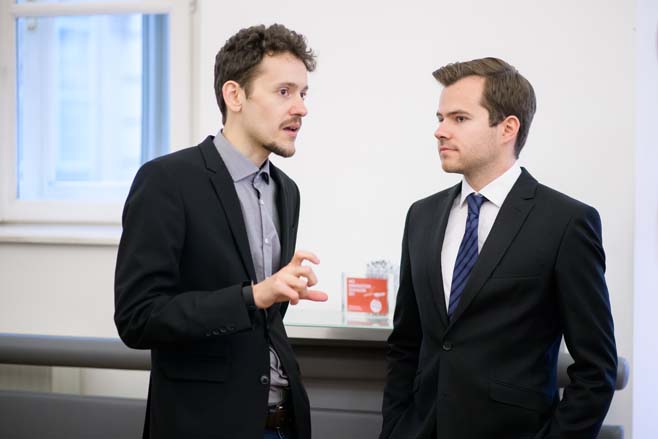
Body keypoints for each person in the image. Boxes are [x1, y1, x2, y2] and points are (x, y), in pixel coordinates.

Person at [380, 57, 617, 438]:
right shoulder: (421, 216)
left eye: (459, 118)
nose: (440, 131)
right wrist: (394, 429)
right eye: (440, 118)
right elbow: (406, 344)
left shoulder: (566, 222)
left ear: (507, 128)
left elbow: (596, 369)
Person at [114, 24, 326, 439]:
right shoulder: (167, 181)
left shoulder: (286, 191)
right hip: (203, 424)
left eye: (303, 93)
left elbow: (266, 323)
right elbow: (138, 318)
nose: (301, 108)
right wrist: (252, 296)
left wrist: (275, 292)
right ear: (235, 95)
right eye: (284, 91)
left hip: (283, 422)